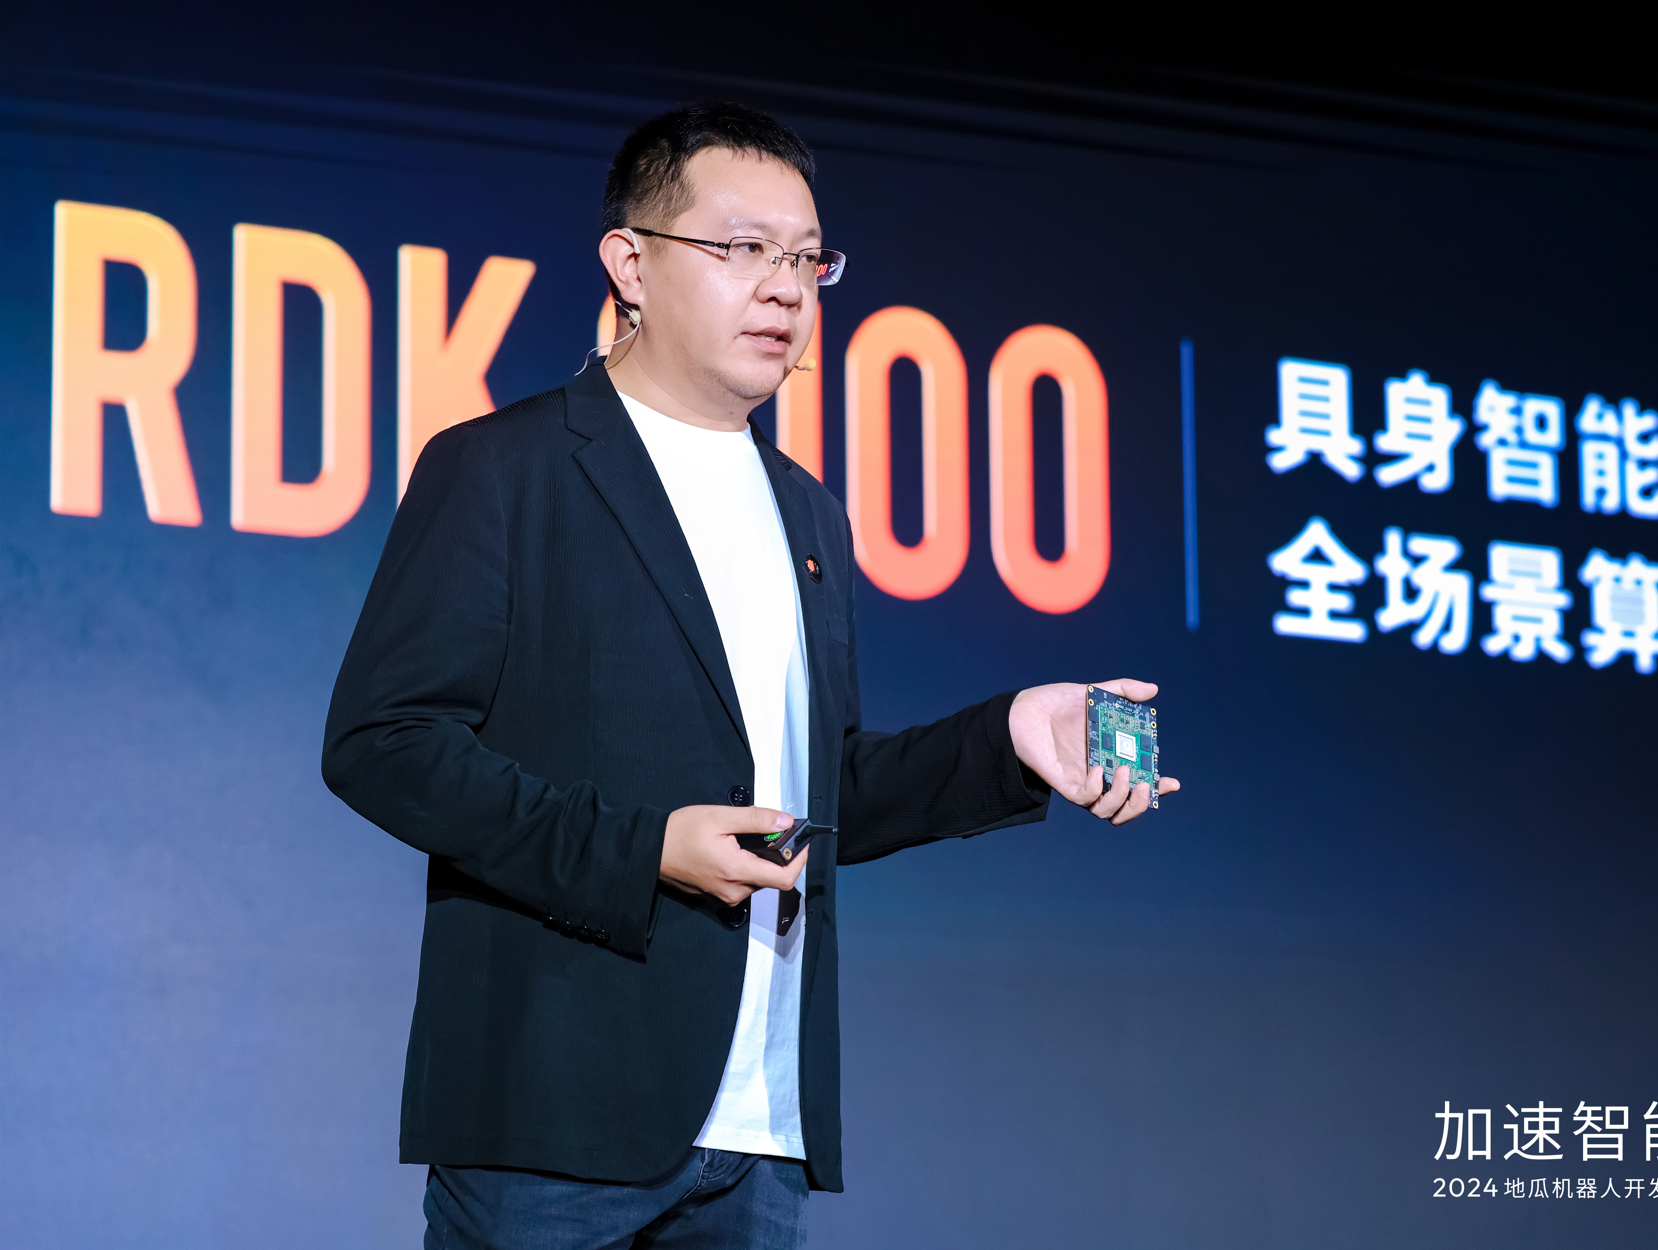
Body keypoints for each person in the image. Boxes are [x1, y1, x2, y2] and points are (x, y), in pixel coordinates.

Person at [321, 100, 1178, 1249]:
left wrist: (1008, 736)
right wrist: (640, 852)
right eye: (741, 249)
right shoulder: (505, 467)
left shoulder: (808, 513)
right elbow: (383, 744)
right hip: (554, 1115)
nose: (784, 290)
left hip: (759, 1137)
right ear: (630, 263)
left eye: (807, 260)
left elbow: (816, 797)